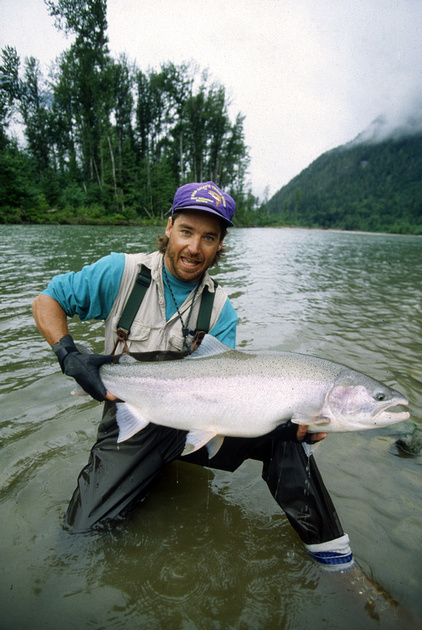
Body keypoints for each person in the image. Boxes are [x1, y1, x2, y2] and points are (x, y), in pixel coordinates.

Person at [32, 180, 354, 572]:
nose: (194, 248)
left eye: (209, 238)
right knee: (82, 529)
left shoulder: (221, 310)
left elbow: (228, 397)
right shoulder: (121, 272)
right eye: (186, 232)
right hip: (136, 415)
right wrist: (69, 355)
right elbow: (47, 300)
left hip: (199, 416)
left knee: (289, 438)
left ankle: (332, 555)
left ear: (220, 246)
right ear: (169, 227)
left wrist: (279, 426)